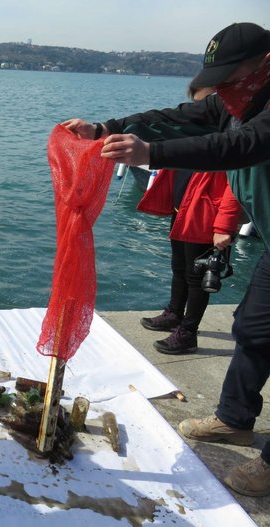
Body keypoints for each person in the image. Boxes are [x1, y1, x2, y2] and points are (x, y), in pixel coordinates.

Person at [63, 22, 270, 497]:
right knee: (253, 330)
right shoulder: (236, 99)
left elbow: (242, 146)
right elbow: (181, 117)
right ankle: (233, 420)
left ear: (262, 62)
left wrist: (151, 152)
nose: (220, 87)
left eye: (228, 74)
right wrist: (107, 128)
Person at [138, 86, 243, 355]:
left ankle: (188, 333)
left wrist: (224, 226)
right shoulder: (195, 130)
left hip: (206, 216)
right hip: (183, 209)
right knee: (179, 268)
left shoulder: (234, 133)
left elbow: (235, 184)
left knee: (197, 277)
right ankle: (174, 313)